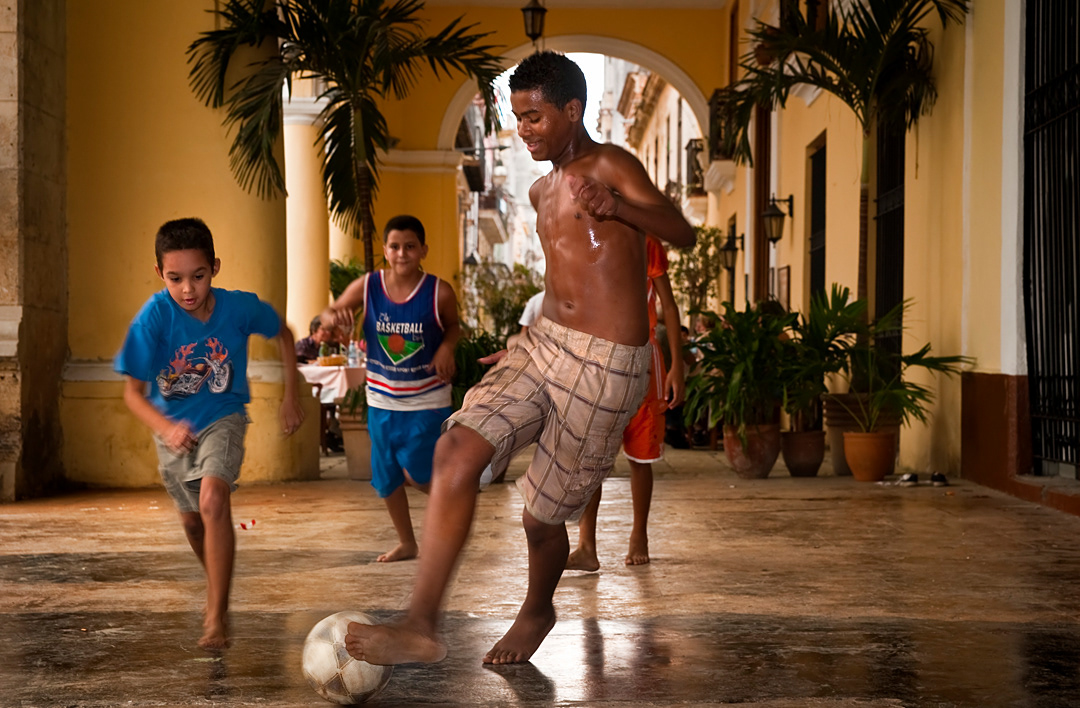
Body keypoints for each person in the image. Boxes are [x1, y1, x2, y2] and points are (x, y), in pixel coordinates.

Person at [343, 51, 695, 667]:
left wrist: (618, 208)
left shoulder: (610, 164)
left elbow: (680, 229)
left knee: (541, 519)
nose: (523, 129)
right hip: (543, 344)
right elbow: (568, 281)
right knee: (454, 449)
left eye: (533, 117)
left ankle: (537, 607)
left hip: (609, 363)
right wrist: (527, 337)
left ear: (572, 110)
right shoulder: (539, 189)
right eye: (517, 118)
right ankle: (420, 623)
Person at [114, 217, 304, 649]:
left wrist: (291, 397)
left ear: (214, 267)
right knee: (192, 522)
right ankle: (217, 587)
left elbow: (285, 333)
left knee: (213, 500)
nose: (188, 289)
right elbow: (132, 395)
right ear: (159, 272)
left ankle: (215, 617)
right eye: (176, 278)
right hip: (173, 432)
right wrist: (165, 427)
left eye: (197, 276)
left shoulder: (239, 308)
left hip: (224, 417)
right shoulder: (152, 319)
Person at [321, 215, 460, 563]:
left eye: (410, 246)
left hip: (426, 400)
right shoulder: (367, 287)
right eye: (395, 247)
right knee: (387, 477)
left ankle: (457, 502)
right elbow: (331, 311)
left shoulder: (438, 291)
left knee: (418, 472)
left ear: (423, 250)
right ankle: (408, 543)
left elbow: (454, 328)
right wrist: (333, 318)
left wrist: (446, 348)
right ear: (385, 250)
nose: (402, 254)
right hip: (381, 400)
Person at [566, 235, 685, 569]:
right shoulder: (586, 241)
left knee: (640, 455)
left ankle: (639, 534)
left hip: (644, 364)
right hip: (598, 364)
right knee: (591, 457)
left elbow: (669, 307)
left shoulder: (647, 244)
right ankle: (586, 546)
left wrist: (677, 366)